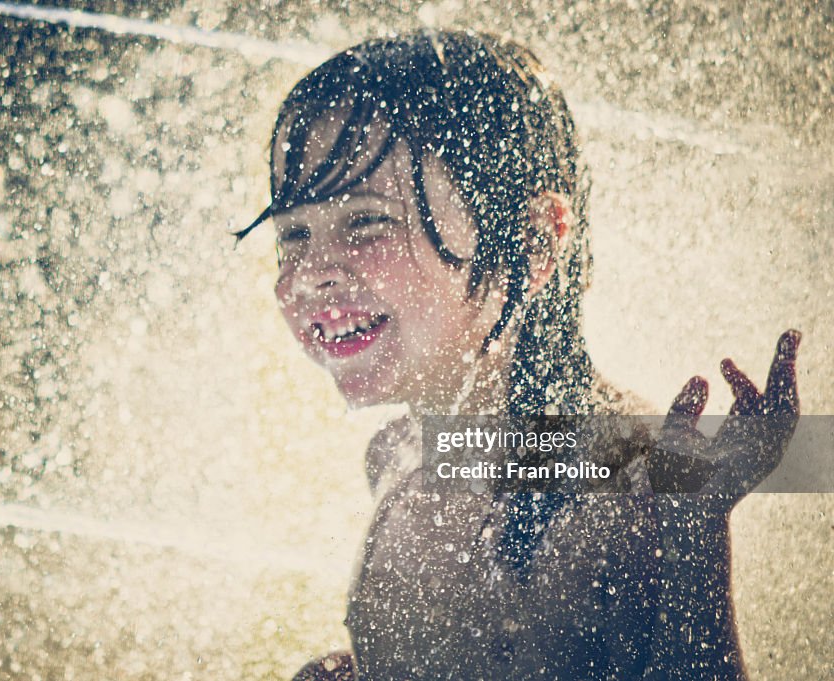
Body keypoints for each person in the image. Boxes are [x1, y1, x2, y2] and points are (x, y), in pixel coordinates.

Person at [238, 31, 800, 680]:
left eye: (367, 224)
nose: (309, 276)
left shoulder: (629, 490)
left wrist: (694, 539)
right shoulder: (409, 452)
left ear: (532, 242)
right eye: (293, 235)